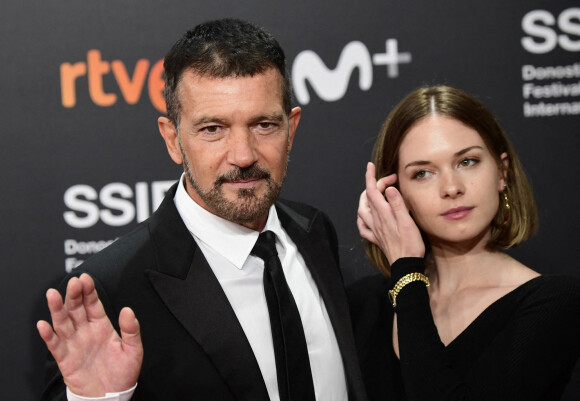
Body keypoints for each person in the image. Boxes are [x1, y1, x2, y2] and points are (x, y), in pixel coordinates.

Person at [37, 18, 367, 401]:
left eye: (263, 124)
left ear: (291, 129)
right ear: (172, 139)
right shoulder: (109, 290)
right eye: (213, 129)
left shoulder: (314, 230)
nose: (243, 155)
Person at [349, 85, 580, 401]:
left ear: (502, 172)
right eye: (423, 173)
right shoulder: (364, 305)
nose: (451, 187)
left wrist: (406, 274)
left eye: (467, 162)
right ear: (394, 192)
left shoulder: (553, 303)